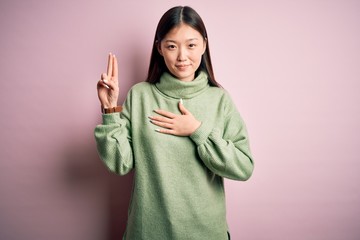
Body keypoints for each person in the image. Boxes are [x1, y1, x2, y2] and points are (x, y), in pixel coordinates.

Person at [95, 6, 254, 240]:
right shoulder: (140, 95)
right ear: (159, 47)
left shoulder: (219, 99)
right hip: (147, 232)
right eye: (171, 46)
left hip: (205, 232)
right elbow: (121, 163)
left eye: (191, 45)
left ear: (204, 45)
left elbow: (243, 167)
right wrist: (110, 109)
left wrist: (198, 131)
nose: (182, 56)